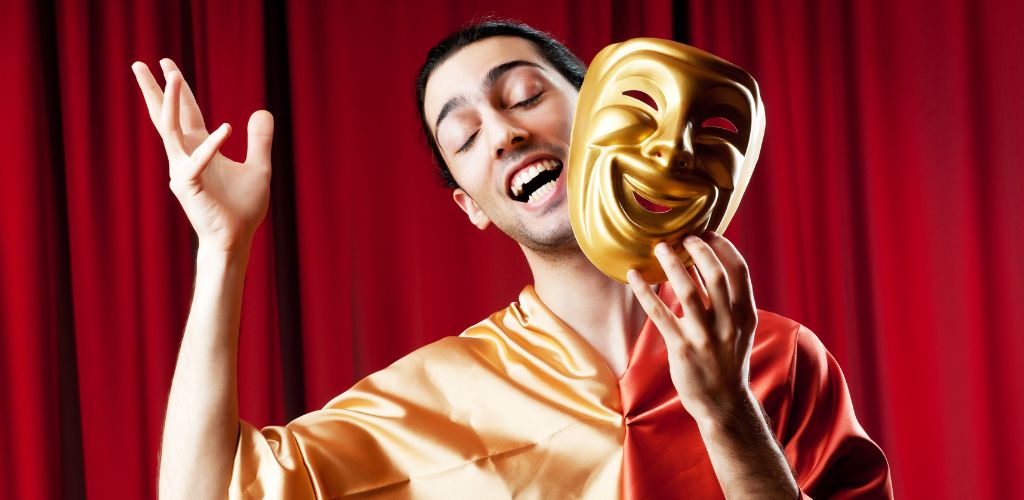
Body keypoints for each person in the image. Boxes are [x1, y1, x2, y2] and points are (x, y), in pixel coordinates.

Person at [133, 20, 892, 500]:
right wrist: (223, 247)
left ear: (601, 107)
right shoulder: (431, 396)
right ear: (470, 204)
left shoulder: (782, 360)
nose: (501, 131)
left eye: (527, 95)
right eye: (462, 136)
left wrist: (730, 416)